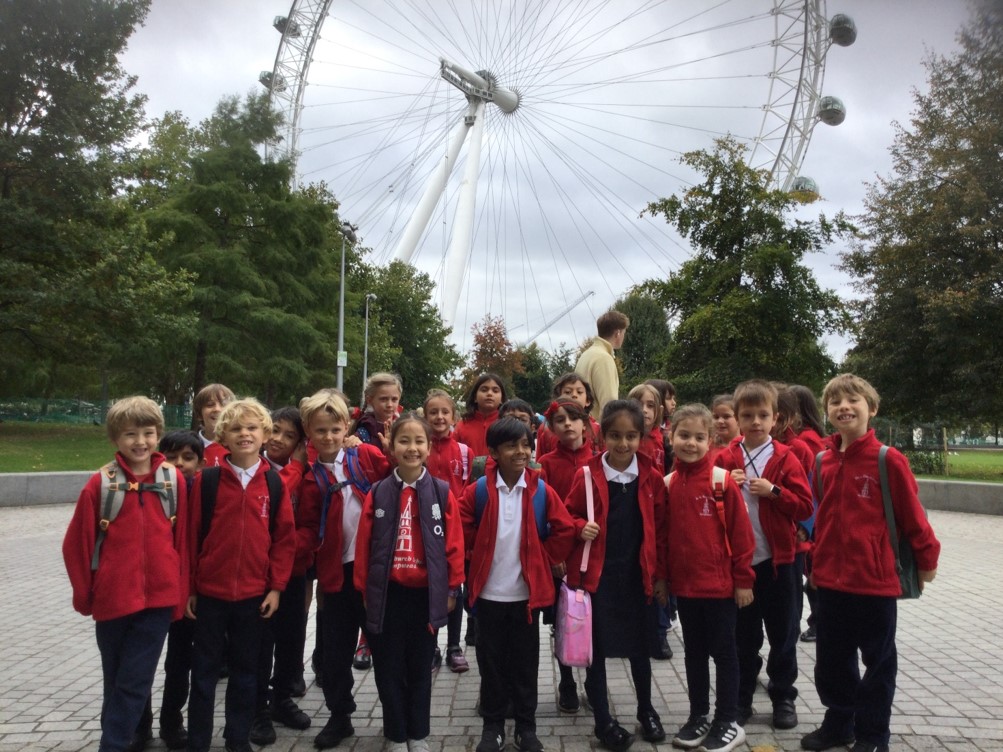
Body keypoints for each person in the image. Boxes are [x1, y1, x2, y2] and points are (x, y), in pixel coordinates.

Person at [800, 374, 941, 752]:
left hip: (874, 581)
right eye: (835, 402)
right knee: (832, 659)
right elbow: (823, 519)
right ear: (827, 411)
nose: (844, 407)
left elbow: (913, 517)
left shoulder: (887, 460)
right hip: (830, 581)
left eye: (853, 400)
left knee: (877, 663)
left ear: (871, 408)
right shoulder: (821, 461)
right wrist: (815, 565)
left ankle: (874, 734)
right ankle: (839, 723)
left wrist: (927, 560)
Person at [63, 396, 189, 752]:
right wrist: (84, 594)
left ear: (158, 435)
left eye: (148, 433)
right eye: (130, 434)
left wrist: (178, 596)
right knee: (116, 679)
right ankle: (123, 737)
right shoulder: (100, 484)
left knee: (134, 679)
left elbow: (183, 543)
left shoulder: (172, 480)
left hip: (158, 601)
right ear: (115, 439)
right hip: (113, 599)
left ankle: (113, 745)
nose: (140, 442)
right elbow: (77, 545)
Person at [185, 398, 297, 752]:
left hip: (253, 597)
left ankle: (237, 738)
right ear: (224, 437)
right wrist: (190, 588)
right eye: (236, 429)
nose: (244, 434)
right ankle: (198, 741)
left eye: (252, 428)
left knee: (246, 674)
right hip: (211, 596)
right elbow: (191, 539)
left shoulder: (275, 485)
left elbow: (284, 542)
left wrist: (276, 588)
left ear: (265, 434)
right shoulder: (208, 482)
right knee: (203, 674)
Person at [460, 417, 576, 752]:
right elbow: (461, 523)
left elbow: (564, 528)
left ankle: (527, 728)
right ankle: (492, 727)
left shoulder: (541, 489)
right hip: (489, 595)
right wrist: (475, 551)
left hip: (526, 597)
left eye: (526, 444)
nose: (521, 451)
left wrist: (545, 556)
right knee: (491, 665)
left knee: (526, 665)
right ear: (494, 452)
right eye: (512, 445)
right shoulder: (480, 490)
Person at [354, 414, 466, 752]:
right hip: (388, 595)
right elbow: (364, 545)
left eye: (419, 441)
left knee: (420, 667)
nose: (412, 447)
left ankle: (418, 733)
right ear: (390, 446)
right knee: (388, 668)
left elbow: (455, 545)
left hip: (424, 596)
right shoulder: (378, 492)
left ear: (429, 447)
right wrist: (364, 590)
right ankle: (395, 733)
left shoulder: (442, 493)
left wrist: (450, 589)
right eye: (404, 440)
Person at [563, 399, 669, 750]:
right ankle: (603, 721)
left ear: (642, 436)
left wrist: (660, 577)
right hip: (600, 579)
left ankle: (646, 709)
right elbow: (566, 517)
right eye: (615, 436)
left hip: (636, 576)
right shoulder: (587, 476)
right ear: (602, 436)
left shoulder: (651, 476)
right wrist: (580, 526)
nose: (623, 444)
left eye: (631, 436)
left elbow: (662, 530)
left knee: (640, 647)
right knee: (599, 650)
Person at [715, 380, 814, 730]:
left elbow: (804, 505)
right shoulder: (725, 458)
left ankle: (783, 695)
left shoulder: (787, 457)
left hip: (780, 562)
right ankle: (741, 697)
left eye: (763, 415)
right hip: (741, 563)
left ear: (776, 419)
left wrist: (775, 492)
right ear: (737, 420)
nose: (755, 421)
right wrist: (725, 482)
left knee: (784, 634)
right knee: (743, 635)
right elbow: (709, 504)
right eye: (748, 415)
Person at [296, 391, 392, 750]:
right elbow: (307, 527)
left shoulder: (364, 456)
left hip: (374, 574)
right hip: (335, 577)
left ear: (346, 427)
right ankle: (340, 716)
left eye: (335, 429)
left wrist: (394, 448)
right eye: (320, 430)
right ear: (308, 431)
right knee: (334, 654)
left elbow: (396, 479)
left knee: (384, 649)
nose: (328, 437)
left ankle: (393, 714)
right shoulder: (310, 478)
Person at [664, 404, 755, 752]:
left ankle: (728, 720)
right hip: (686, 589)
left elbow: (742, 535)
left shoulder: (721, 483)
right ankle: (698, 715)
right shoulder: (668, 484)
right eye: (684, 436)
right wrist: (662, 580)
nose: (691, 443)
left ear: (711, 440)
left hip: (720, 588)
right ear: (671, 437)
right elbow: (662, 537)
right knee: (694, 655)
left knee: (725, 654)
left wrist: (743, 580)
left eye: (699, 438)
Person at [132, 431, 203, 751]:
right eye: (172, 457)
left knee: (180, 662)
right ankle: (139, 723)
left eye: (187, 458)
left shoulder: (204, 490)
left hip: (186, 592)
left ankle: (172, 720)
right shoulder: (152, 490)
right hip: (152, 590)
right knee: (142, 659)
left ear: (199, 464)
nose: (179, 464)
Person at [250, 407, 313, 746]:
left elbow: (306, 523)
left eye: (289, 436)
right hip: (259, 574)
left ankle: (282, 698)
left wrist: (289, 547)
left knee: (292, 638)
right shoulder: (256, 468)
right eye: (274, 430)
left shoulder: (305, 473)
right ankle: (257, 709)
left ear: (300, 443)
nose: (278, 439)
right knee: (261, 643)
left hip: (293, 570)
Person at [537, 397, 596, 715]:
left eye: (573, 418)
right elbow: (544, 511)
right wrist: (553, 554)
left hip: (592, 551)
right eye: (560, 420)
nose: (568, 425)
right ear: (552, 428)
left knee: (591, 618)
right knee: (564, 619)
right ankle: (566, 681)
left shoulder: (600, 460)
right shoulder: (545, 464)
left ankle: (592, 679)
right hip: (561, 552)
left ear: (585, 424)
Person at [423, 388, 472, 673]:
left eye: (445, 412)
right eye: (433, 412)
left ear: (453, 416)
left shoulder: (464, 451)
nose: (439, 417)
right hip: (425, 529)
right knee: (429, 587)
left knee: (456, 586)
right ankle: (431, 646)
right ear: (425, 416)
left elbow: (466, 490)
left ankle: (454, 645)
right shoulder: (421, 446)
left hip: (454, 529)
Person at [574, 310, 629, 420]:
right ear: (618, 333)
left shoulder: (586, 354)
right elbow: (609, 405)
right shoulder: (604, 359)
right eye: (624, 332)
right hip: (596, 430)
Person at [536, 373, 599, 457]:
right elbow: (539, 465)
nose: (574, 395)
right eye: (568, 392)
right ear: (558, 398)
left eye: (579, 392)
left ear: (588, 401)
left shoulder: (598, 430)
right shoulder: (545, 430)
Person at [454, 373, 507, 458]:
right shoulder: (462, 425)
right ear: (475, 397)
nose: (489, 393)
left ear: (502, 399)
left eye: (495, 391)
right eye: (484, 390)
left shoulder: (507, 425)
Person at [352, 372, 403, 450]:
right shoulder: (363, 433)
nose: (389, 404)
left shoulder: (404, 427)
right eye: (383, 399)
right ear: (369, 400)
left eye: (394, 399)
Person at [192, 383, 235, 468]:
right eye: (210, 405)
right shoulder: (189, 447)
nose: (217, 409)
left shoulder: (241, 447)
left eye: (223, 405)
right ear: (199, 414)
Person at [709, 394, 740, 463]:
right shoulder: (707, 446)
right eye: (716, 417)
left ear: (739, 418)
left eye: (726, 416)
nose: (720, 421)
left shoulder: (745, 447)